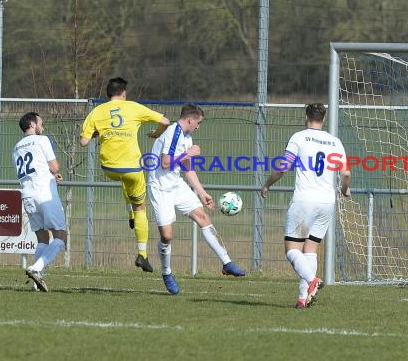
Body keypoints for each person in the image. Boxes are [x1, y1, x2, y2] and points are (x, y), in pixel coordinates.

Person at [147, 103, 246, 294]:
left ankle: (227, 263)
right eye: (198, 122)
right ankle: (167, 273)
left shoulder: (187, 137)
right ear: (190, 119)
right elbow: (165, 163)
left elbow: (188, 168)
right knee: (167, 236)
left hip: (176, 184)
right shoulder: (172, 133)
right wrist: (188, 154)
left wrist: (202, 193)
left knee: (203, 218)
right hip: (160, 188)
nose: (198, 126)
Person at [261, 102, 351, 308]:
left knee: (292, 249)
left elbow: (283, 167)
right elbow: (345, 173)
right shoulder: (334, 141)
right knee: (310, 249)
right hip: (327, 203)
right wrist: (345, 189)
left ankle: (312, 281)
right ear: (324, 119)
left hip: (305, 202)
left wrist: (267, 184)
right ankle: (303, 298)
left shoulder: (299, 137)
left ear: (306, 117)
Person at [79, 77, 170, 272]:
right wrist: (156, 134)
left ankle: (129, 214)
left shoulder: (97, 111)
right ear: (124, 93)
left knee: (123, 180)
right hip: (132, 167)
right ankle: (142, 254)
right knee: (140, 207)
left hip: (108, 168)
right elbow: (166, 121)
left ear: (108, 94)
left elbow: (83, 142)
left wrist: (96, 134)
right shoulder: (133, 107)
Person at [13, 112, 67, 292]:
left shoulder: (16, 147)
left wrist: (51, 174)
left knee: (42, 238)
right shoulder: (42, 140)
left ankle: (36, 283)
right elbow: (55, 166)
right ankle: (36, 268)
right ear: (32, 124)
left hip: (27, 194)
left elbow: (33, 168)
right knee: (60, 237)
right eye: (40, 122)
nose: (42, 125)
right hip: (44, 193)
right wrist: (54, 172)